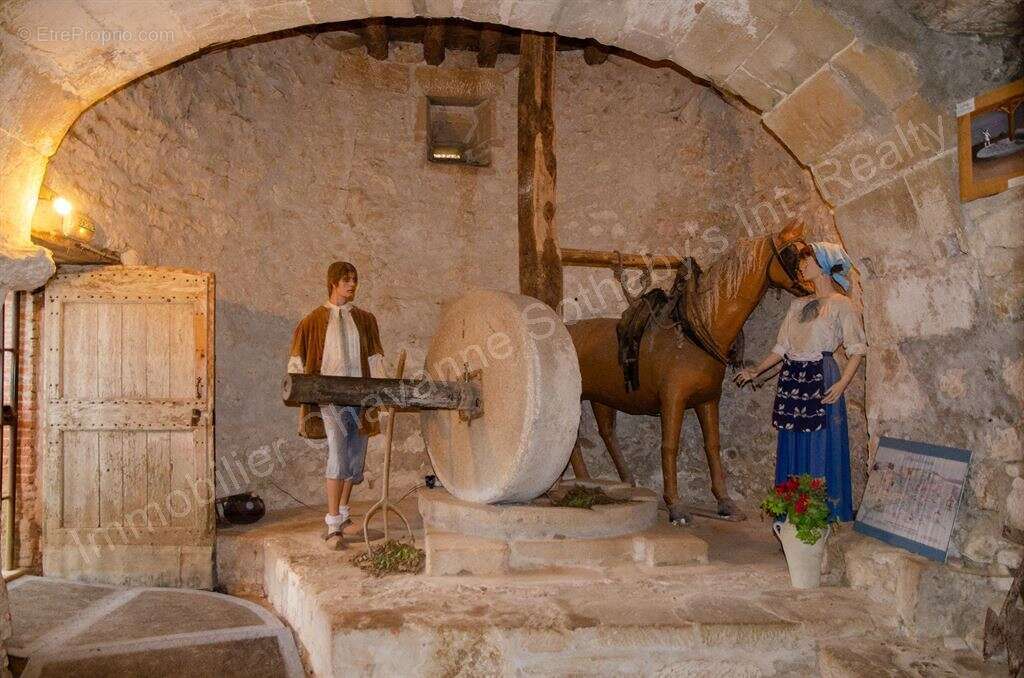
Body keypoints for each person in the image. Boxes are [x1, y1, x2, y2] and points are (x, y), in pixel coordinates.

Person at [734, 242, 866, 521]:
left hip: (822, 375)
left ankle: (823, 514)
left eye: (807, 260)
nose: (801, 265)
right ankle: (793, 511)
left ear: (824, 264)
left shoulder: (842, 305)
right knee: (792, 441)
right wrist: (756, 369)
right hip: (793, 377)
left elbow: (856, 349)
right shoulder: (797, 305)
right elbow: (781, 347)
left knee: (820, 442)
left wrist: (842, 384)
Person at [288, 261, 385, 548]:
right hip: (330, 398)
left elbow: (374, 359)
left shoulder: (366, 319)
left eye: (354, 279)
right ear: (333, 283)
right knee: (337, 457)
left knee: (355, 459)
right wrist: (302, 392)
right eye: (346, 280)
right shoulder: (313, 321)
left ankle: (343, 515)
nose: (352, 285)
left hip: (362, 397)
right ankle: (332, 525)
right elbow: (297, 361)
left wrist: (382, 394)